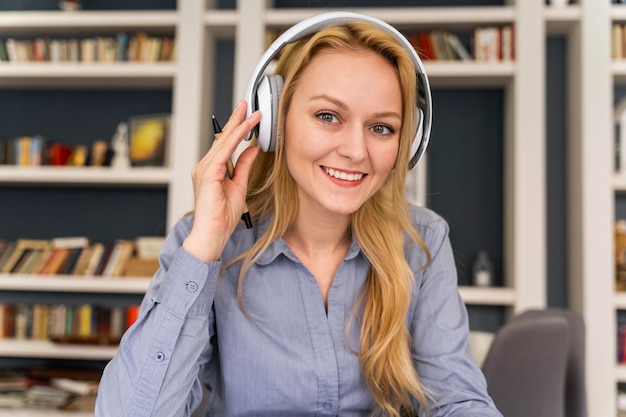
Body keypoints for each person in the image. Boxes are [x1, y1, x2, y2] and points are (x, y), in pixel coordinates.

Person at [95, 12, 503, 417]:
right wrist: (205, 244)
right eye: (328, 116)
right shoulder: (207, 243)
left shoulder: (421, 241)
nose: (356, 151)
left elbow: (458, 400)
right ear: (276, 120)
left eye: (382, 128)